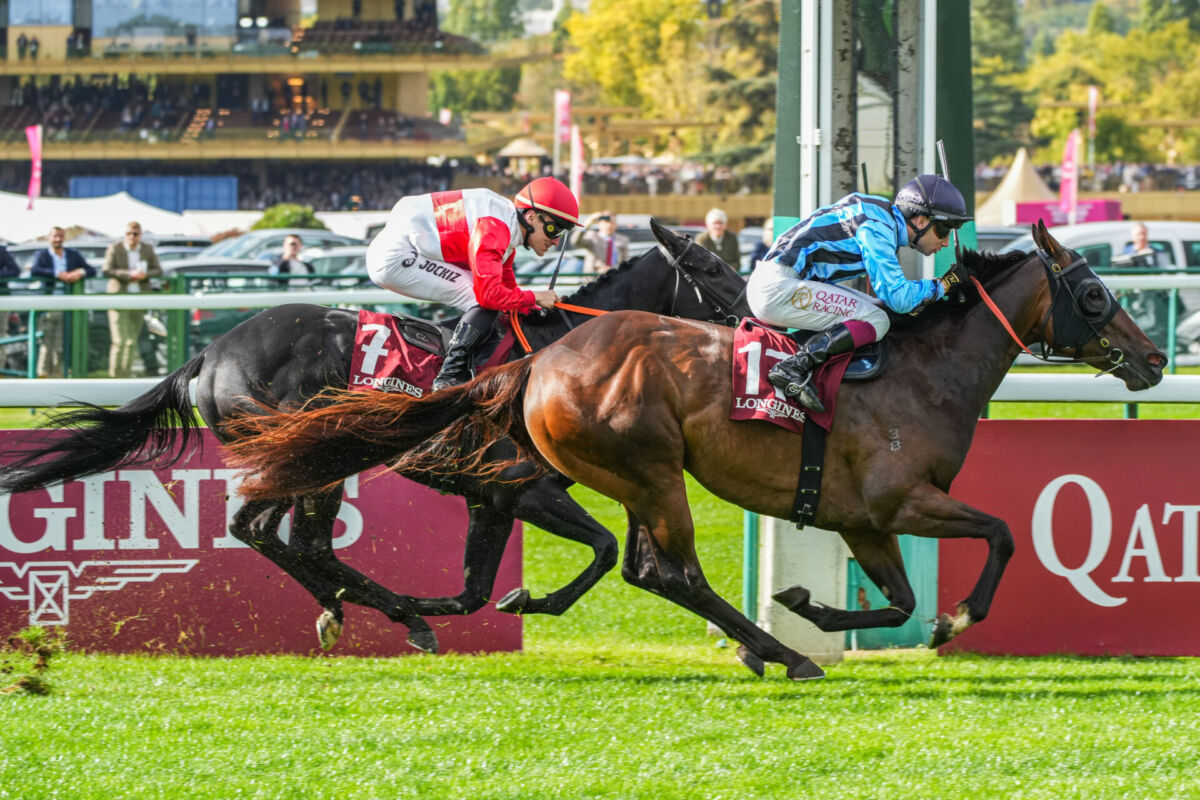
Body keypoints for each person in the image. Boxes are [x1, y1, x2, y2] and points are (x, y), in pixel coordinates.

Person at [747, 174, 971, 413]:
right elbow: (899, 299)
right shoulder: (879, 227)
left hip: (781, 282)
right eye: (944, 230)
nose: (946, 242)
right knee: (877, 320)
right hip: (777, 288)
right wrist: (945, 284)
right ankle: (794, 367)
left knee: (878, 311)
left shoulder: (880, 214)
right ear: (921, 220)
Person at [367, 176, 577, 390]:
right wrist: (535, 296)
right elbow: (490, 296)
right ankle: (449, 376)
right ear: (531, 216)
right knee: (482, 300)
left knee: (491, 298)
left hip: (404, 247)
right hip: (396, 256)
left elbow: (509, 291)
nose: (556, 241)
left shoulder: (507, 230)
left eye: (561, 233)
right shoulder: (495, 228)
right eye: (553, 229)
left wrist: (539, 308)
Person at [30, 226, 95, 378]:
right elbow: (35, 270)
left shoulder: (73, 254)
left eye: (60, 236)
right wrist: (57, 274)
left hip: (67, 306)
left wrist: (79, 272)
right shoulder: (42, 254)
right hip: (48, 305)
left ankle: (57, 376)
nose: (58, 239)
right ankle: (42, 376)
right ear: (49, 238)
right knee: (46, 343)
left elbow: (91, 270)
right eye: (55, 236)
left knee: (60, 345)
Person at [102, 221, 163, 378]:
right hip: (118, 299)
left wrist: (144, 275)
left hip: (139, 300)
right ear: (125, 234)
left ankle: (125, 377)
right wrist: (129, 275)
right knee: (119, 342)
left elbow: (158, 270)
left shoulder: (147, 249)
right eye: (129, 233)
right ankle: (114, 378)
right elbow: (107, 270)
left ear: (140, 235)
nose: (132, 237)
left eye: (135, 234)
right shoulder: (115, 248)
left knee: (131, 342)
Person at [572, 209, 629, 274]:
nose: (609, 225)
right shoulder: (592, 236)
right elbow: (575, 241)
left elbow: (625, 261)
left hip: (614, 276)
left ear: (616, 224)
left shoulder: (623, 240)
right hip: (594, 277)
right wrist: (588, 222)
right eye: (606, 222)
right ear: (599, 223)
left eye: (612, 222)